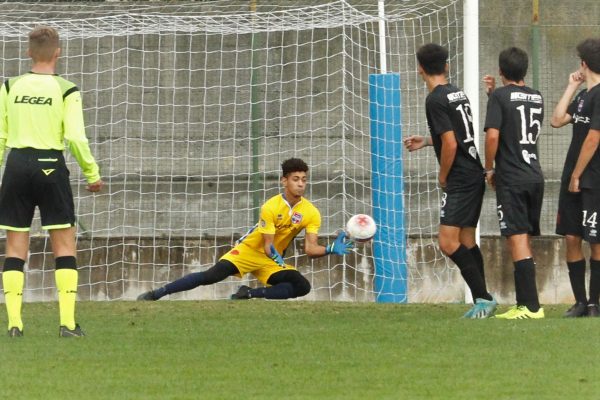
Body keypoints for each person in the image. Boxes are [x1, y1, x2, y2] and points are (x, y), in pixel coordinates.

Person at [0, 26, 104, 338]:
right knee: (63, 244)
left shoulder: (10, 86)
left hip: (16, 166)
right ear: (58, 52)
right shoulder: (67, 89)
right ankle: (68, 324)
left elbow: (1, 136)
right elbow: (74, 137)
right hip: (50, 166)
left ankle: (15, 324)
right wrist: (92, 173)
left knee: (15, 245)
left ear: (29, 51)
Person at [137, 158, 353, 302]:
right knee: (211, 275)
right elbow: (268, 245)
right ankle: (158, 293)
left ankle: (248, 293)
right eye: (295, 179)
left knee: (301, 286)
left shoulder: (311, 212)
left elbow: (310, 249)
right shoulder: (270, 206)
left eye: (304, 180)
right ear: (284, 181)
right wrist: (277, 258)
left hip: (271, 260)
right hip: (251, 250)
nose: (301, 184)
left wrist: (331, 248)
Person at [404, 43, 496, 318]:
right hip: (473, 172)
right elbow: (457, 136)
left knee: (447, 242)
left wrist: (442, 176)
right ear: (446, 66)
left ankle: (483, 298)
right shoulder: (457, 92)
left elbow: (451, 144)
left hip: (460, 178)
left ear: (420, 68)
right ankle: (483, 298)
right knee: (466, 240)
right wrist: (426, 141)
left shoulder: (434, 99)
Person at [482, 47, 545, 319]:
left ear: (500, 70)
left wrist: (488, 169)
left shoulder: (499, 96)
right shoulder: (537, 96)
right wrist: (492, 96)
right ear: (525, 70)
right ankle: (526, 304)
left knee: (517, 238)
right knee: (523, 238)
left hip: (512, 176)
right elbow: (517, 122)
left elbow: (494, 136)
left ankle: (530, 307)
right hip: (534, 174)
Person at [563, 38, 600, 318]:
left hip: (593, 179)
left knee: (596, 240)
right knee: (572, 237)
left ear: (584, 63)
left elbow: (593, 137)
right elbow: (555, 119)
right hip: (572, 178)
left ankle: (593, 304)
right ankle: (580, 301)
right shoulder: (583, 96)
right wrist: (571, 86)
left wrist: (577, 174)